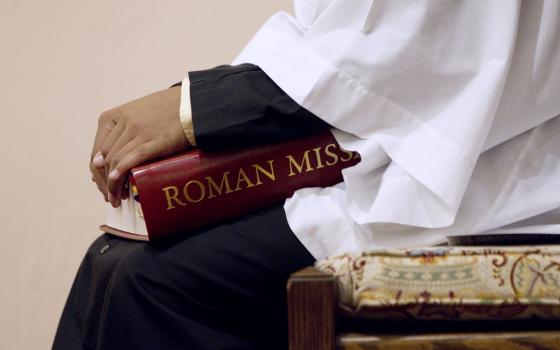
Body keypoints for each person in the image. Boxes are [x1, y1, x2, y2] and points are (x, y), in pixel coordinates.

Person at [53, 1, 560, 349]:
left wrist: (195, 111)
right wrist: (199, 111)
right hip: (416, 156)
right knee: (110, 260)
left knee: (159, 285)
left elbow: (423, 49)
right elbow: (337, 32)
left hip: (505, 183)